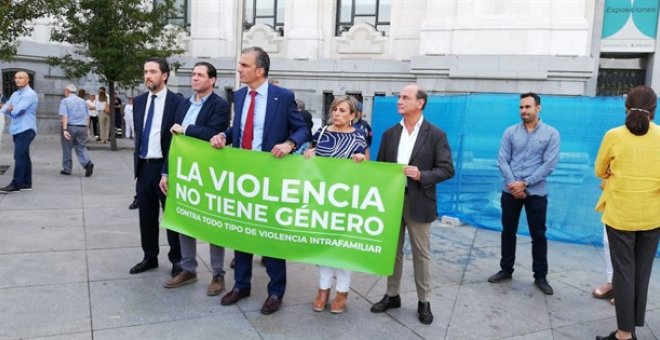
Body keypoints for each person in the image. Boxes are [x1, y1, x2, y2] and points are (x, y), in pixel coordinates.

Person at [210, 46, 308, 315]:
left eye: (244, 65)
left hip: (271, 177)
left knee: (271, 235)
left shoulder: (283, 96)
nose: (239, 69)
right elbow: (238, 128)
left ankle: (276, 292)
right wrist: (223, 137)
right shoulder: (240, 96)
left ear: (260, 70)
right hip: (242, 176)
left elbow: (302, 128)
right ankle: (242, 285)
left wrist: (290, 143)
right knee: (242, 231)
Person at [370, 84, 455, 325]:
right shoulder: (389, 134)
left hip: (420, 201)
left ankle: (424, 301)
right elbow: (381, 169)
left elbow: (447, 169)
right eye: (399, 97)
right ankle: (392, 294)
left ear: (420, 103)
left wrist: (421, 175)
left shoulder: (436, 134)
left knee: (421, 254)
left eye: (405, 97)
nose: (399, 101)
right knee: (391, 252)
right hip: (392, 201)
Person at [595, 85, 660, 340]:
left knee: (623, 274)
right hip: (653, 216)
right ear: (654, 110)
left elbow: (600, 169)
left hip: (620, 214)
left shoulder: (614, 135)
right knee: (641, 273)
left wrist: (613, 171)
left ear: (626, 108)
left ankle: (624, 334)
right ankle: (632, 326)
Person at [161, 61, 230, 296]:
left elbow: (213, 134)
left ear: (212, 80)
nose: (195, 78)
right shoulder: (183, 104)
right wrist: (165, 171)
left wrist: (186, 129)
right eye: (193, 74)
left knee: (213, 222)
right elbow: (172, 140)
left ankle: (218, 274)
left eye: (200, 75)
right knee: (185, 219)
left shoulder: (220, 105)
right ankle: (188, 268)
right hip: (182, 170)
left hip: (208, 172)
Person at [488, 92, 560, 296]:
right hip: (510, 191)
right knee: (507, 231)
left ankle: (540, 276)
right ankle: (506, 269)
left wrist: (525, 184)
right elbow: (502, 160)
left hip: (536, 192)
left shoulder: (551, 134)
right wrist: (514, 185)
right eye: (521, 107)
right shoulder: (510, 132)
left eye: (528, 107)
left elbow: (550, 164)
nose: (524, 111)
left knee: (538, 235)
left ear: (538, 108)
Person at [305, 96, 367, 314]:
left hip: (345, 199)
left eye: (343, 110)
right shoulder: (321, 133)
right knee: (323, 245)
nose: (337, 113)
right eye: (335, 109)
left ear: (352, 116)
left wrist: (361, 160)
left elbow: (366, 167)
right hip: (321, 198)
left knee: (342, 246)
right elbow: (310, 157)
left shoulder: (359, 137)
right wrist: (309, 154)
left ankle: (342, 291)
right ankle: (323, 289)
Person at [129, 57, 184, 277]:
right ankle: (149, 257)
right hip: (143, 166)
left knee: (171, 217)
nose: (147, 76)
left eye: (152, 71)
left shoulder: (177, 102)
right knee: (146, 216)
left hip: (165, 167)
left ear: (165, 75)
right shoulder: (140, 101)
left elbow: (177, 140)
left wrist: (168, 170)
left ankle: (177, 260)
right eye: (145, 72)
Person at [0, 71, 38, 193]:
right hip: (17, 129)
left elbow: (16, 111)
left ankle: (16, 184)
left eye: (21, 78)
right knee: (24, 156)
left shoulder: (30, 94)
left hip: (27, 129)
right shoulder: (15, 94)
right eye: (16, 78)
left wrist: (11, 109)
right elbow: (4, 109)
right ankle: (26, 183)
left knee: (19, 155)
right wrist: (10, 109)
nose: (17, 80)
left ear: (28, 80)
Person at [58, 84, 94, 177]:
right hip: (82, 126)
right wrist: (87, 129)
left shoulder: (65, 101)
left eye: (64, 91)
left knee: (67, 148)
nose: (64, 92)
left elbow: (64, 116)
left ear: (67, 91)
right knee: (81, 147)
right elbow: (87, 116)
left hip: (70, 126)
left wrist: (64, 129)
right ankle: (87, 163)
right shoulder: (83, 101)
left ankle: (67, 169)